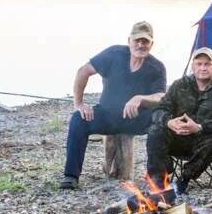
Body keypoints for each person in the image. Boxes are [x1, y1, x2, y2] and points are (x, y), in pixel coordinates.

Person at [61, 21, 167, 190]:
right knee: (77, 119)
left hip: (137, 119)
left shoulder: (157, 67)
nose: (140, 45)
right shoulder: (114, 54)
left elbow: (161, 96)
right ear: (129, 40)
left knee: (162, 121)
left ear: (151, 44)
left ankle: (156, 178)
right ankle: (70, 176)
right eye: (137, 40)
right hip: (107, 115)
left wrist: (140, 98)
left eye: (145, 41)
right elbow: (83, 71)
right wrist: (79, 104)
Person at [146, 47, 212, 195]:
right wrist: (169, 122)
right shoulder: (179, 85)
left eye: (207, 64)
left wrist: (199, 127)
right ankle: (159, 181)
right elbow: (159, 110)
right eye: (199, 64)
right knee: (155, 130)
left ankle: (183, 181)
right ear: (193, 66)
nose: (203, 68)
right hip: (175, 138)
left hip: (200, 142)